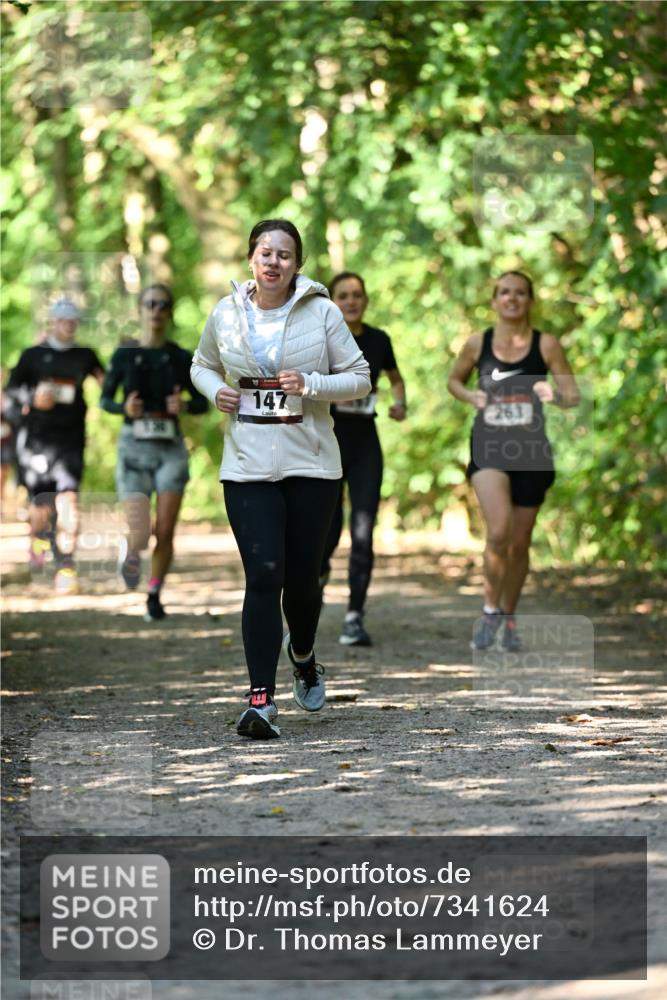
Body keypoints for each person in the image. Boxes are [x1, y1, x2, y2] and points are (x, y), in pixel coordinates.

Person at [191, 219, 371, 740]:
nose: (274, 262)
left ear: (298, 264)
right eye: (266, 253)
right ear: (251, 258)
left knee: (303, 580)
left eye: (285, 255)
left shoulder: (322, 311)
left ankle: (305, 652)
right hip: (247, 466)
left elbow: (359, 377)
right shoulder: (225, 313)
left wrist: (310, 384)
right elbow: (201, 364)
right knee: (264, 574)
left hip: (312, 464)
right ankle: (260, 701)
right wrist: (214, 391)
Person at [447, 271, 579, 651]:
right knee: (500, 529)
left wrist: (552, 393)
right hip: (489, 447)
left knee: (520, 542)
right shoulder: (478, 343)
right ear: (494, 300)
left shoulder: (547, 344)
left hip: (532, 452)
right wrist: (471, 397)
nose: (512, 299)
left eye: (520, 293)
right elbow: (454, 381)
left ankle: (508, 618)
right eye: (505, 292)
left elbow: (572, 395)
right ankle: (490, 612)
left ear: (530, 300)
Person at [100, 284, 207, 622]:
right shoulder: (124, 355)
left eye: (163, 304)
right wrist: (124, 408)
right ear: (140, 309)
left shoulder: (180, 357)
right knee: (141, 530)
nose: (156, 310)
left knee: (165, 529)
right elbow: (105, 399)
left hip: (170, 449)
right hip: (134, 446)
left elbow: (203, 401)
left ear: (169, 311)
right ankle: (130, 550)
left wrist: (185, 404)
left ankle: (155, 592)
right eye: (150, 304)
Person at [319, 272, 407, 646]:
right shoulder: (321, 337)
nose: (351, 301)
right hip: (326, 441)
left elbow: (395, 378)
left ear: (365, 300)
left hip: (365, 444)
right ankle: (312, 592)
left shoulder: (379, 339)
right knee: (326, 532)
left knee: (363, 531)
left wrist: (400, 402)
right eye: (344, 295)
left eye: (357, 295)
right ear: (333, 301)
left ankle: (355, 615)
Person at [5, 298, 104, 593]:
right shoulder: (32, 356)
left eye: (74, 321)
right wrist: (32, 399)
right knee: (42, 505)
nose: (69, 326)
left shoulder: (85, 355)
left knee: (69, 500)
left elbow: (107, 383)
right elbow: (10, 391)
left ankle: (66, 566)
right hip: (36, 440)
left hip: (71, 441)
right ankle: (38, 543)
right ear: (52, 323)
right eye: (64, 320)